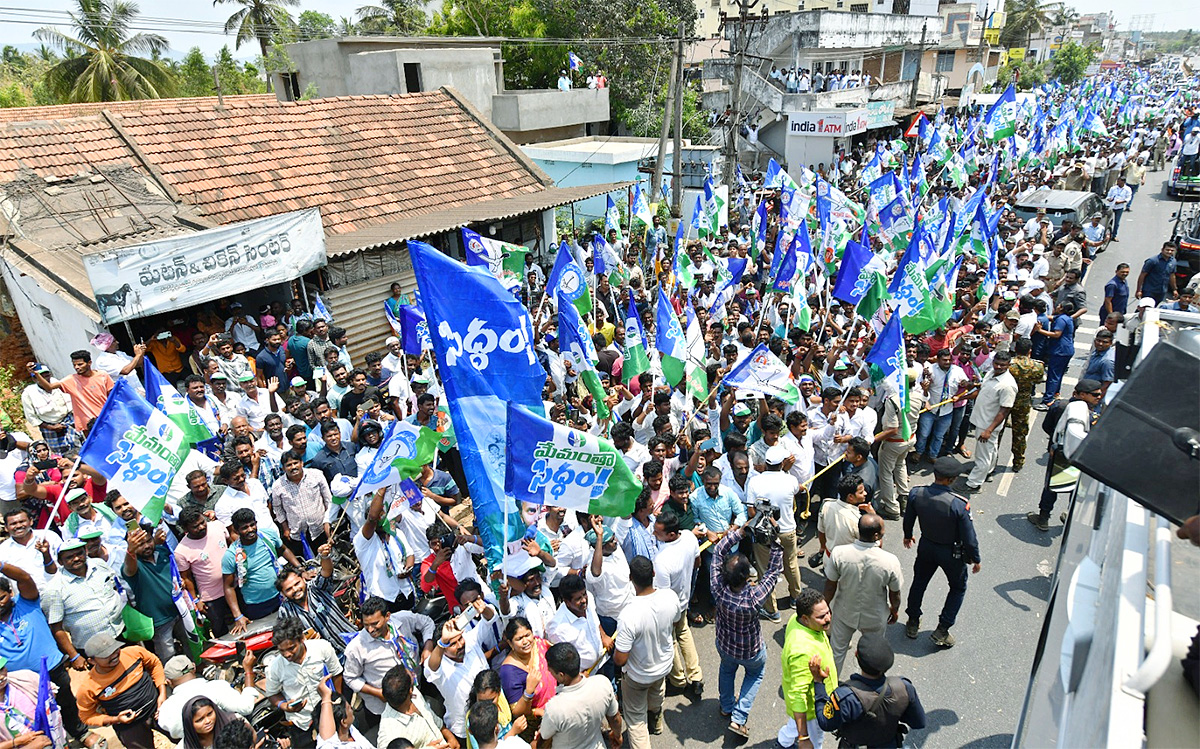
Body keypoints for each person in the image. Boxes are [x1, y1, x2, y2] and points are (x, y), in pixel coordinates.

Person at [0, 560, 92, 747]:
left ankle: (80, 734)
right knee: (32, 714)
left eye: (1, 598)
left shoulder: (27, 601)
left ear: (11, 593)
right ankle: (56, 742)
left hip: (52, 666)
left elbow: (24, 577)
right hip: (20, 681)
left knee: (66, 703)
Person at [710, 525, 781, 737]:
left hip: (724, 644)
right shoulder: (753, 598)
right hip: (751, 650)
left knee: (727, 670)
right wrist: (775, 543)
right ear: (746, 576)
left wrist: (738, 533)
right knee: (755, 674)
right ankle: (739, 717)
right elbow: (772, 572)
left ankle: (726, 706)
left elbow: (717, 553)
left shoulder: (718, 589)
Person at [902, 457, 981, 648]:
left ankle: (913, 620)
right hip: (951, 552)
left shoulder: (916, 493)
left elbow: (909, 517)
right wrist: (976, 559)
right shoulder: (959, 504)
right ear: (952, 479)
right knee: (958, 587)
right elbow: (969, 537)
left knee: (919, 582)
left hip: (927, 545)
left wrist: (908, 535)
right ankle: (942, 629)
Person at [344, 595, 444, 730]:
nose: (370, 630)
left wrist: (428, 647)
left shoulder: (403, 620)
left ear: (387, 617)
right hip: (384, 708)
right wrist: (379, 693)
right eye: (366, 625)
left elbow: (427, 623)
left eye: (375, 624)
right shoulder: (356, 647)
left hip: (416, 692)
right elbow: (350, 678)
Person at [810, 634, 926, 748]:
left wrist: (818, 682)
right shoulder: (904, 687)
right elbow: (918, 722)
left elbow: (825, 723)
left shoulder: (845, 696)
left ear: (856, 655)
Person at [613, 555, 681, 749]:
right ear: (653, 573)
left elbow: (620, 659)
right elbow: (675, 622)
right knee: (657, 692)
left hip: (638, 675)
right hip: (664, 665)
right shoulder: (670, 597)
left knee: (635, 719)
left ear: (630, 578)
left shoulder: (629, 614)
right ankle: (656, 720)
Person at [824, 515, 902, 674]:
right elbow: (895, 593)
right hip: (874, 615)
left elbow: (830, 586)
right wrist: (894, 609)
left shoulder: (839, 553)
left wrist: (826, 607)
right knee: (873, 655)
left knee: (836, 652)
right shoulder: (890, 561)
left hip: (844, 611)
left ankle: (831, 690)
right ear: (876, 536)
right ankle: (868, 689)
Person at [1028, 379, 1103, 532]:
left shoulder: (1060, 405)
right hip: (1078, 457)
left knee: (1052, 486)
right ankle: (1069, 517)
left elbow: (1047, 426)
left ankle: (1043, 518)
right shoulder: (1093, 416)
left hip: (1059, 453)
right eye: (1095, 395)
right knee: (1075, 489)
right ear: (1082, 395)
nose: (1098, 398)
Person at [41, 539, 124, 670]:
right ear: (60, 561)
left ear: (85, 552)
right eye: (69, 557)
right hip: (93, 648)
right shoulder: (54, 589)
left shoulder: (99, 565)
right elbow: (56, 628)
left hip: (121, 632)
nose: (76, 558)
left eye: (79, 553)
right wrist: (74, 656)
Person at [262, 616, 344, 749]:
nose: (287, 654)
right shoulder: (274, 667)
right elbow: (272, 694)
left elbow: (336, 673)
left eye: (291, 648)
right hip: (301, 724)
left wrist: (338, 701)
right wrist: (285, 706)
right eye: (282, 650)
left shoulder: (322, 648)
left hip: (331, 714)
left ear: (301, 639)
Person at [76, 633, 166, 749]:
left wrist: (162, 693)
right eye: (106, 655)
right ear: (92, 661)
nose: (114, 655)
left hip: (158, 709)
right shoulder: (88, 687)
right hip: (129, 726)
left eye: (115, 649)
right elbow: (86, 716)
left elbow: (155, 664)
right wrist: (115, 719)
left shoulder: (134, 653)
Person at [222, 507, 300, 633]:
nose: (250, 529)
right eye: (245, 527)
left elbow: (284, 550)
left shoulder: (268, 536)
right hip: (256, 606)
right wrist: (238, 616)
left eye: (252, 525)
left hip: (281, 596)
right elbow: (228, 587)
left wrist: (300, 568)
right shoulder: (231, 555)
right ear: (236, 530)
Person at [746, 444, 802, 619]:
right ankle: (796, 598)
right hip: (787, 530)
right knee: (791, 564)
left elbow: (751, 511)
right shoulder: (790, 480)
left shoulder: (755, 481)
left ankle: (771, 609)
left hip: (764, 533)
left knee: (765, 570)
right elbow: (797, 490)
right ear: (782, 463)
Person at [650, 512, 702, 696]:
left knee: (670, 640)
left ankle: (678, 680)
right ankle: (695, 676)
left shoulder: (662, 560)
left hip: (670, 608)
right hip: (684, 599)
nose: (654, 534)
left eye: (658, 532)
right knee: (684, 633)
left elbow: (663, 595)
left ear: (671, 535)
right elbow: (697, 562)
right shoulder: (689, 537)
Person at [778, 589, 837, 749]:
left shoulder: (796, 619)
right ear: (805, 618)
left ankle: (782, 743)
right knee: (815, 743)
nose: (828, 618)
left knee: (791, 728)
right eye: (821, 617)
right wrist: (804, 737)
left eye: (828, 612)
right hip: (812, 710)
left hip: (815, 701)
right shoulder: (802, 651)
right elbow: (798, 694)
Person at [536, 642, 622, 749]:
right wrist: (617, 735)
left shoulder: (555, 707)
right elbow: (615, 718)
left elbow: (544, 739)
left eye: (551, 671)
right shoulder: (602, 683)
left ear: (561, 675)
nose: (550, 673)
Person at [277, 551, 359, 660]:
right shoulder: (285, 611)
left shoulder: (317, 588)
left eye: (297, 584)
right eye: (289, 589)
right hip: (328, 660)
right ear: (283, 594)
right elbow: (288, 640)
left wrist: (324, 556)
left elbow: (327, 571)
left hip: (352, 644)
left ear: (303, 579)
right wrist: (304, 641)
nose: (295, 589)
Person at [158, 654, 260, 741]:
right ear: (194, 668)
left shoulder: (166, 709)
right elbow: (246, 707)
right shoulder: (216, 687)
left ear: (168, 682)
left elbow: (173, 733)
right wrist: (248, 671)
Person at [425, 610, 491, 745]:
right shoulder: (439, 664)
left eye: (460, 639)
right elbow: (431, 667)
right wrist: (443, 642)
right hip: (464, 729)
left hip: (494, 715)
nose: (460, 645)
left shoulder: (470, 641)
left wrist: (482, 608)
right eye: (452, 644)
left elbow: (489, 620)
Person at [121, 524, 182, 662]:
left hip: (180, 611)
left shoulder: (162, 552)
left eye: (148, 541)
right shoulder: (132, 566)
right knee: (168, 656)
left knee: (191, 643)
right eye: (140, 544)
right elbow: (129, 568)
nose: (147, 546)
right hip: (159, 620)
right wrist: (130, 550)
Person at [963, 352, 1017, 492]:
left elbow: (1004, 410)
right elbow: (981, 389)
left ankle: (973, 483)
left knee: (982, 456)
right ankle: (987, 471)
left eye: (1002, 365)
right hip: (981, 419)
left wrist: (989, 429)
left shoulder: (1008, 385)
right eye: (996, 363)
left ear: (1008, 365)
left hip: (987, 424)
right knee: (991, 450)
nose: (998, 366)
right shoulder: (991, 373)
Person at [174, 506, 232, 637]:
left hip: (235, 586)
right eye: (195, 526)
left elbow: (232, 545)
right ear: (185, 529)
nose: (201, 527)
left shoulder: (218, 526)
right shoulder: (181, 551)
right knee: (221, 631)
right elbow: (187, 578)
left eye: (202, 522)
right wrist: (195, 601)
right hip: (212, 597)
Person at [27, 352, 115, 431]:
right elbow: (49, 387)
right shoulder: (71, 380)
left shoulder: (103, 375)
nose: (77, 367)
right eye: (74, 365)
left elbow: (113, 396)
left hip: (107, 418)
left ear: (89, 363)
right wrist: (36, 374)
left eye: (80, 364)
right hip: (88, 425)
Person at [270, 450, 332, 559]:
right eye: (289, 465)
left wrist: (328, 523)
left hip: (320, 528)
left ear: (301, 463)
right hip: (297, 533)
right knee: (307, 564)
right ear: (283, 468)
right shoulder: (277, 486)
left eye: (295, 463)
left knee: (326, 558)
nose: (293, 467)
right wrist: (285, 529)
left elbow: (328, 500)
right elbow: (278, 509)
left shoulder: (316, 475)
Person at [376, 664, 456, 749]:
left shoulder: (414, 694)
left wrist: (450, 736)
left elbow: (431, 717)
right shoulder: (389, 734)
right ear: (410, 690)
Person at [1007, 338, 1044, 472]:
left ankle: (991, 463)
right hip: (1023, 401)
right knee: (1020, 433)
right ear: (1030, 351)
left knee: (997, 432)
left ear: (1015, 349)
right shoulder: (1037, 366)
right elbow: (1039, 379)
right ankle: (1018, 461)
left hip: (1006, 400)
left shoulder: (1009, 364)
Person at [313, 678, 372, 749]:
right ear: (343, 722)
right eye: (348, 708)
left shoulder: (349, 730)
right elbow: (328, 741)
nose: (351, 707)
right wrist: (326, 697)